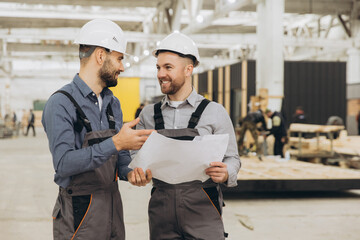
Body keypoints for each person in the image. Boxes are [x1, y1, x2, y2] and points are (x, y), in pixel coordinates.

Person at [41, 19, 154, 240]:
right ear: (101, 56)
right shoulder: (61, 103)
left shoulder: (113, 104)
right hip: (79, 214)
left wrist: (131, 173)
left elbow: (120, 159)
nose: (122, 67)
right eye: (120, 58)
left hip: (113, 209)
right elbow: (63, 164)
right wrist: (116, 142)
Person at [132, 32, 241, 240]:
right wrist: (136, 173)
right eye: (158, 67)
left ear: (188, 69)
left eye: (168, 68)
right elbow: (134, 156)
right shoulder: (147, 114)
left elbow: (232, 158)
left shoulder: (215, 112)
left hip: (203, 208)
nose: (160, 74)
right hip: (161, 209)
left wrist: (226, 173)